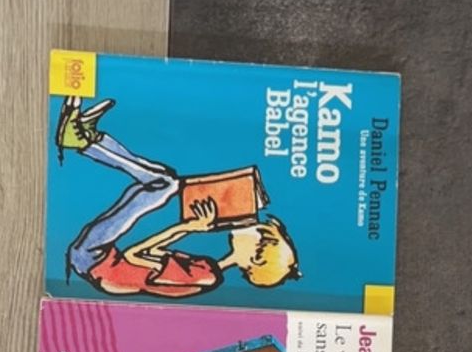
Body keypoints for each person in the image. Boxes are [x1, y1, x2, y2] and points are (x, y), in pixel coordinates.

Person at [56, 97, 300, 299]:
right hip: (97, 258)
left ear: (254, 258)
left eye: (259, 234)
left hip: (93, 258)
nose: (253, 225)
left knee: (164, 184)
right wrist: (190, 228)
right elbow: (151, 253)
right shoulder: (207, 269)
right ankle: (87, 139)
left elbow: (134, 255)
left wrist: (189, 227)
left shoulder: (204, 277)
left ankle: (84, 141)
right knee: (163, 183)